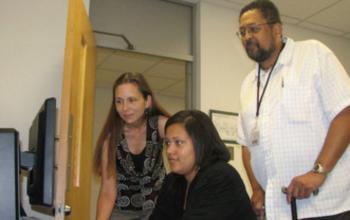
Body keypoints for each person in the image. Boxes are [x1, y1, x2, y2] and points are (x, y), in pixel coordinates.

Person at [236, 0, 350, 219]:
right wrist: (257, 189)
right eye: (241, 32)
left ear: (277, 29)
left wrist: (319, 171)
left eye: (254, 29)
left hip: (327, 207)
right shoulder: (249, 84)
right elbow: (246, 144)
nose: (247, 36)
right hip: (278, 211)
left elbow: (345, 113)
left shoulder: (312, 55)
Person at [150, 110, 256, 220]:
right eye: (167, 143)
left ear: (200, 143)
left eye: (178, 142)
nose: (169, 151)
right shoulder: (173, 180)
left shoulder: (220, 176)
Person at [93, 72, 170, 220]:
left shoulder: (161, 125)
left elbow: (185, 153)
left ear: (147, 101)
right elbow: (108, 192)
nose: (125, 108)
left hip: (157, 208)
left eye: (131, 100)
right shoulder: (110, 140)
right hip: (122, 212)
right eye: (119, 101)